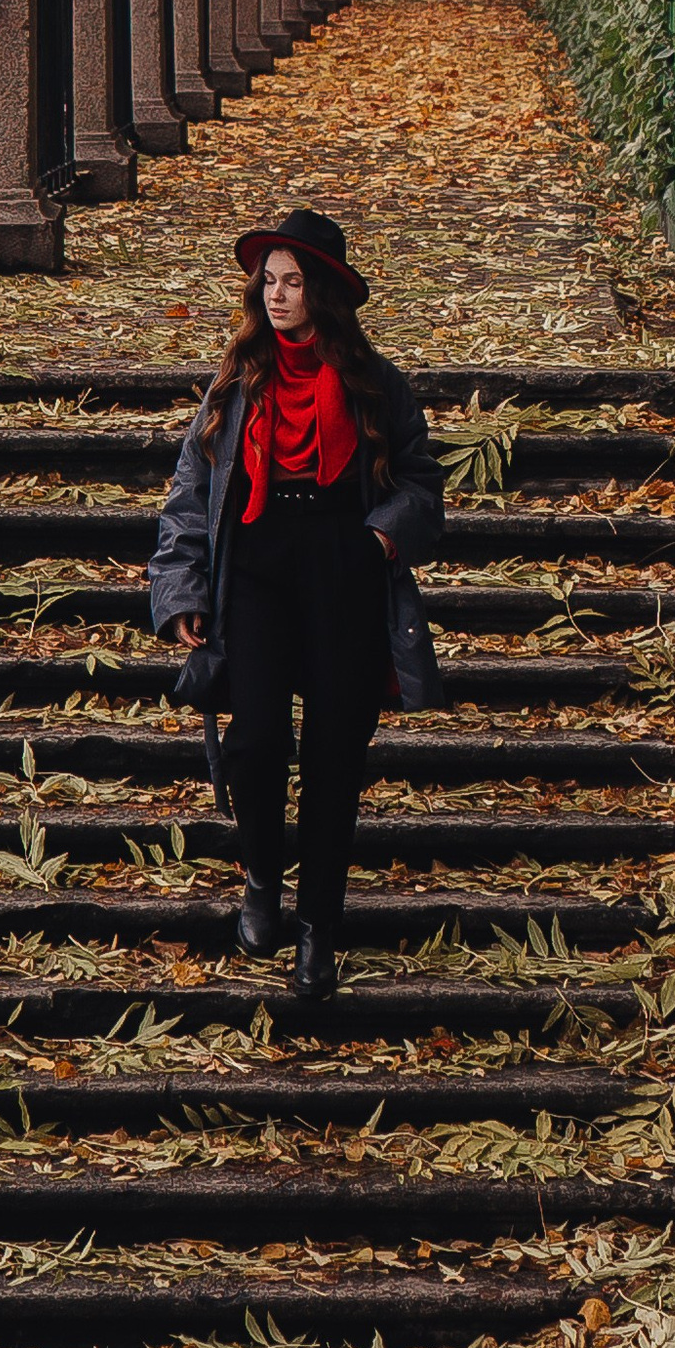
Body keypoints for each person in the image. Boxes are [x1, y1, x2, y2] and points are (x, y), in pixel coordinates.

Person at [149, 207, 445, 1003]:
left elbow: (421, 483)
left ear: (323, 293)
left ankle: (318, 927)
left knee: (334, 757)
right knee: (256, 742)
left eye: (293, 281)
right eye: (268, 281)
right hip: (254, 562)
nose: (277, 296)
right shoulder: (236, 378)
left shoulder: (375, 382)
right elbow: (190, 495)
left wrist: (379, 540)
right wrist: (181, 591)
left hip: (342, 563)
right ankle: (259, 881)